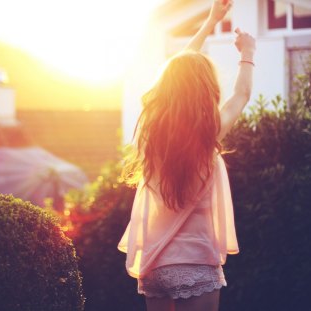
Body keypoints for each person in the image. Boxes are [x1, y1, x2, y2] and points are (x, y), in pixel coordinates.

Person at [117, 1, 256, 310]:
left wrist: (208, 23)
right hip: (197, 262)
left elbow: (174, 76)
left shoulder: (152, 136)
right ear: (206, 90)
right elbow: (241, 96)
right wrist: (248, 52)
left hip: (155, 264)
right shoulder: (207, 137)